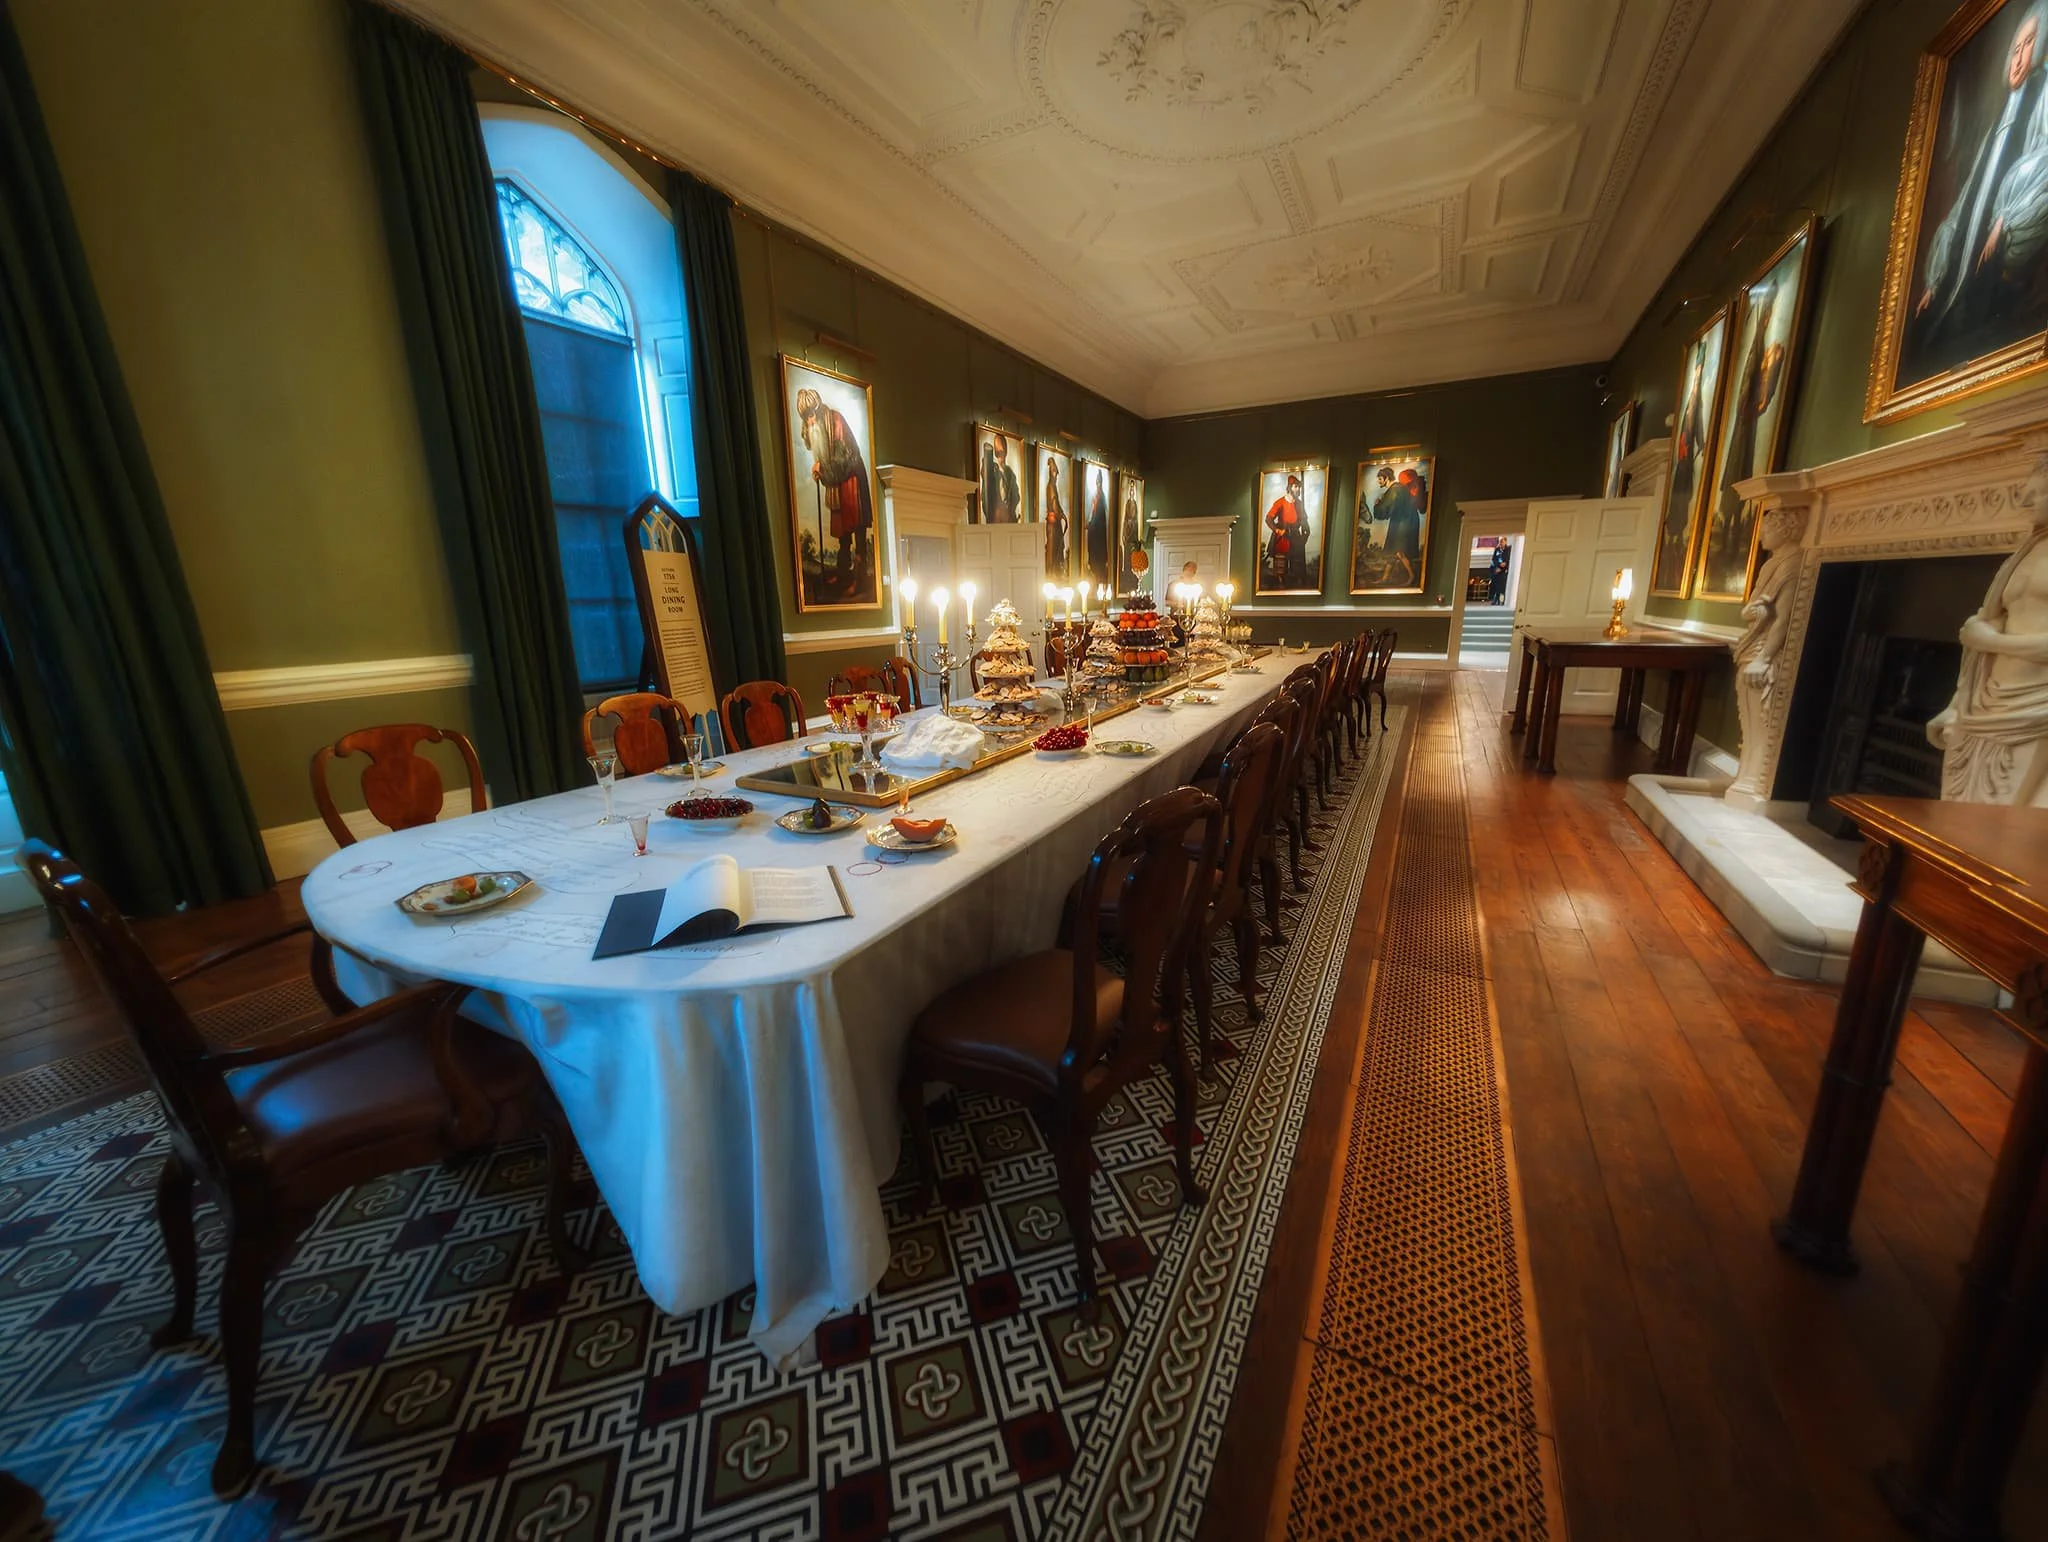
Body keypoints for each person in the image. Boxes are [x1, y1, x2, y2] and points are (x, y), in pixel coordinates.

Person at [1912, 1, 2048, 375]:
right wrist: (1935, 280)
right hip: (1967, 247)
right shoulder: (1999, 120)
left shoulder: (2043, 99)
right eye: (2015, 48)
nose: (2019, 58)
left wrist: (2006, 218)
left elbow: (2043, 165)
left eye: (2029, 45)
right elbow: (1967, 198)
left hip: (2001, 259)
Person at [796, 387, 873, 580]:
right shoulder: (815, 430)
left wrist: (824, 470)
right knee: (842, 535)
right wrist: (821, 473)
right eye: (806, 418)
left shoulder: (835, 421)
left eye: (811, 415)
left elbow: (847, 458)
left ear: (818, 410)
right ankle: (843, 574)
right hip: (837, 485)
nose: (810, 421)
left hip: (851, 481)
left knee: (857, 529)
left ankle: (860, 577)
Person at [1264, 472, 1311, 589]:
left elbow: (1304, 520)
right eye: (1296, 487)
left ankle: (1298, 584)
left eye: (1299, 487)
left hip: (1295, 536)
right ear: (1290, 488)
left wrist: (1305, 533)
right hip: (1283, 536)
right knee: (1281, 562)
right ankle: (1281, 582)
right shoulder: (1280, 502)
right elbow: (1269, 518)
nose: (1298, 489)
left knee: (1298, 563)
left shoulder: (1299, 504)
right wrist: (1277, 530)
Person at [980, 434, 1019, 523]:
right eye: (997, 453)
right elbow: (985, 497)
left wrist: (1009, 510)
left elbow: (1016, 496)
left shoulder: (1010, 473)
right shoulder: (992, 470)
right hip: (995, 518)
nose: (999, 456)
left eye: (1001, 452)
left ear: (1006, 452)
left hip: (1008, 517)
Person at [1085, 470, 1111, 588]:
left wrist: (1090, 525)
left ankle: (1099, 581)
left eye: (1099, 483)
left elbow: (1099, 518)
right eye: (1096, 483)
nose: (1098, 485)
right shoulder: (1096, 496)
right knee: (1094, 558)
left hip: (1098, 536)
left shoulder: (1102, 498)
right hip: (1095, 533)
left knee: (1098, 559)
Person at [1044, 464, 1067, 576]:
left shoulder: (1053, 486)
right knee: (1053, 548)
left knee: (1059, 545)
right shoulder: (1051, 487)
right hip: (1053, 523)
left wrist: (1062, 513)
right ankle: (1052, 570)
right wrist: (1060, 513)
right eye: (1054, 472)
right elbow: (1054, 504)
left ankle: (1056, 569)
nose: (1056, 475)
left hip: (1056, 522)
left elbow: (1057, 503)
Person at [1488, 541, 1511, 605]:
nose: (1501, 543)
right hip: (1496, 570)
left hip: (1503, 571)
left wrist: (1502, 567)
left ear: (1505, 542)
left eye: (1502, 542)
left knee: (1502, 587)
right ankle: (1495, 599)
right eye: (1500, 542)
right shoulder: (1497, 550)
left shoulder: (1508, 550)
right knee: (1496, 586)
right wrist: (1497, 566)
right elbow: (1494, 559)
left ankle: (1501, 600)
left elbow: (1508, 560)